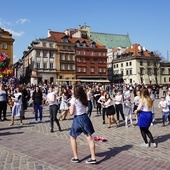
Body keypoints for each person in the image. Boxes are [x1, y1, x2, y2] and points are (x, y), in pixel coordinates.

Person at [69, 85, 96, 164]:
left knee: (73, 137)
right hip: (85, 117)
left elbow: (71, 113)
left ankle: (76, 157)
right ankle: (93, 158)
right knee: (89, 138)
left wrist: (69, 106)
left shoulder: (74, 99)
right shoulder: (84, 98)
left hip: (78, 118)